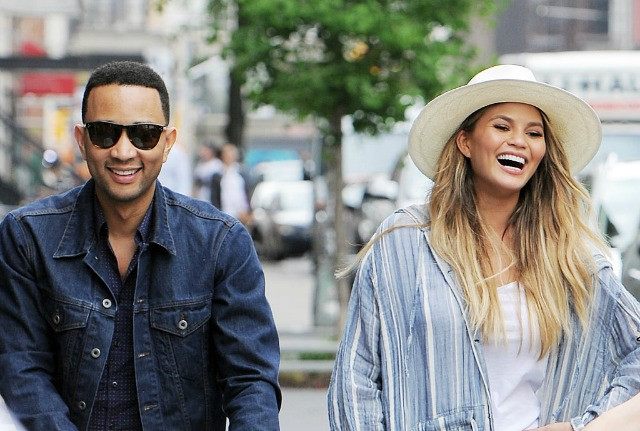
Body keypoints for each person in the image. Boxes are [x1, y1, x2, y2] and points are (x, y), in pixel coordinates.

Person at [327, 64, 640, 430]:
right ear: (465, 142)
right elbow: (356, 379)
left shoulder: (567, 255)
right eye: (502, 127)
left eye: (534, 132)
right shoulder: (405, 241)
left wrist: (582, 426)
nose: (519, 141)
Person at [0, 61, 281, 430]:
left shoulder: (221, 242)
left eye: (143, 135)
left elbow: (250, 383)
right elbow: (22, 370)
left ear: (167, 143)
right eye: (105, 133)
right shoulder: (27, 236)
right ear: (81, 140)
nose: (123, 151)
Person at [210, 143, 253, 225]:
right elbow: (214, 197)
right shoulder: (217, 175)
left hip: (241, 215)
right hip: (224, 215)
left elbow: (246, 194)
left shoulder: (241, 173)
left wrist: (249, 211)